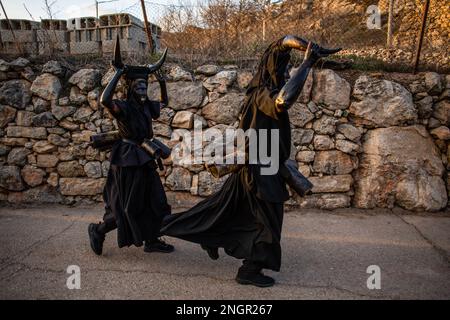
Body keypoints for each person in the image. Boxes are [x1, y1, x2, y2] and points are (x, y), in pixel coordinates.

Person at [161, 35, 340, 287]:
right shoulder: (264, 96)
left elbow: (280, 48)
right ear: (273, 72)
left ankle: (202, 236)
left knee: (220, 212)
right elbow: (284, 100)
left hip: (258, 167)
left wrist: (290, 47)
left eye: (290, 71)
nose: (288, 75)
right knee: (267, 223)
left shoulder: (258, 94)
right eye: (285, 70)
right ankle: (249, 271)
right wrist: (307, 63)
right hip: (261, 171)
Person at [88, 56, 175, 256]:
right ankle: (98, 230)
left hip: (144, 156)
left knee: (155, 200)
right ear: (130, 89)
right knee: (127, 207)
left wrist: (161, 83)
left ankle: (152, 240)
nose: (143, 91)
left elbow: (164, 102)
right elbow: (104, 100)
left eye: (145, 87)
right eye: (139, 87)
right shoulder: (123, 107)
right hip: (127, 161)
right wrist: (119, 73)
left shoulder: (146, 107)